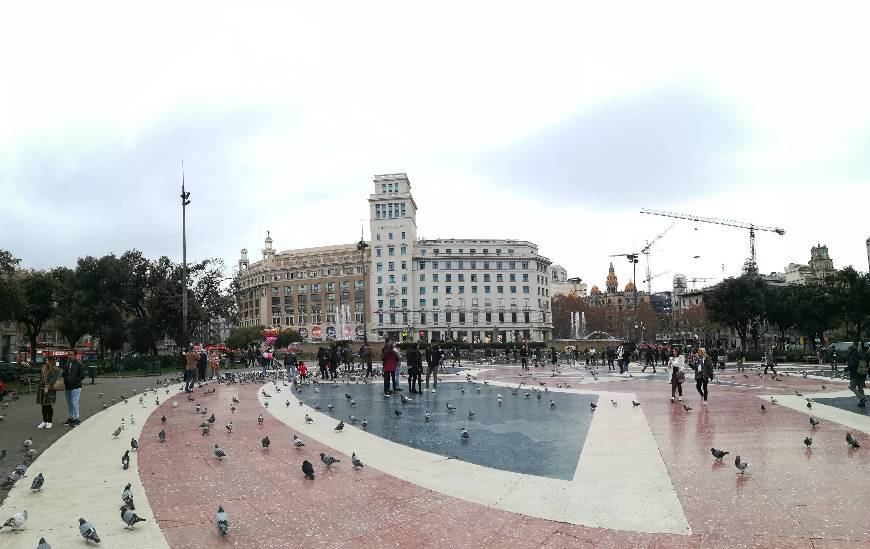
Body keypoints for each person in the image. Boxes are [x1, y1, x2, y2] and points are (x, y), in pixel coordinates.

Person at [37, 357, 62, 429]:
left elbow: (53, 379)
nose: (46, 362)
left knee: (48, 405)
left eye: (47, 361)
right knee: (43, 405)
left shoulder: (55, 369)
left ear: (51, 361)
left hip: (50, 389)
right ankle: (44, 421)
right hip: (42, 389)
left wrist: (48, 387)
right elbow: (42, 378)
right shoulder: (45, 368)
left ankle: (49, 421)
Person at [62, 356, 86, 427]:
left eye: (71, 354)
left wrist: (75, 381)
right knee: (69, 403)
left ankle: (76, 419)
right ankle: (71, 418)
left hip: (76, 386)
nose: (69, 356)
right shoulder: (66, 364)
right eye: (69, 354)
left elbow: (82, 375)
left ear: (75, 356)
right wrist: (65, 380)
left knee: (74, 402)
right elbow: (64, 374)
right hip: (68, 386)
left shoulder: (79, 364)